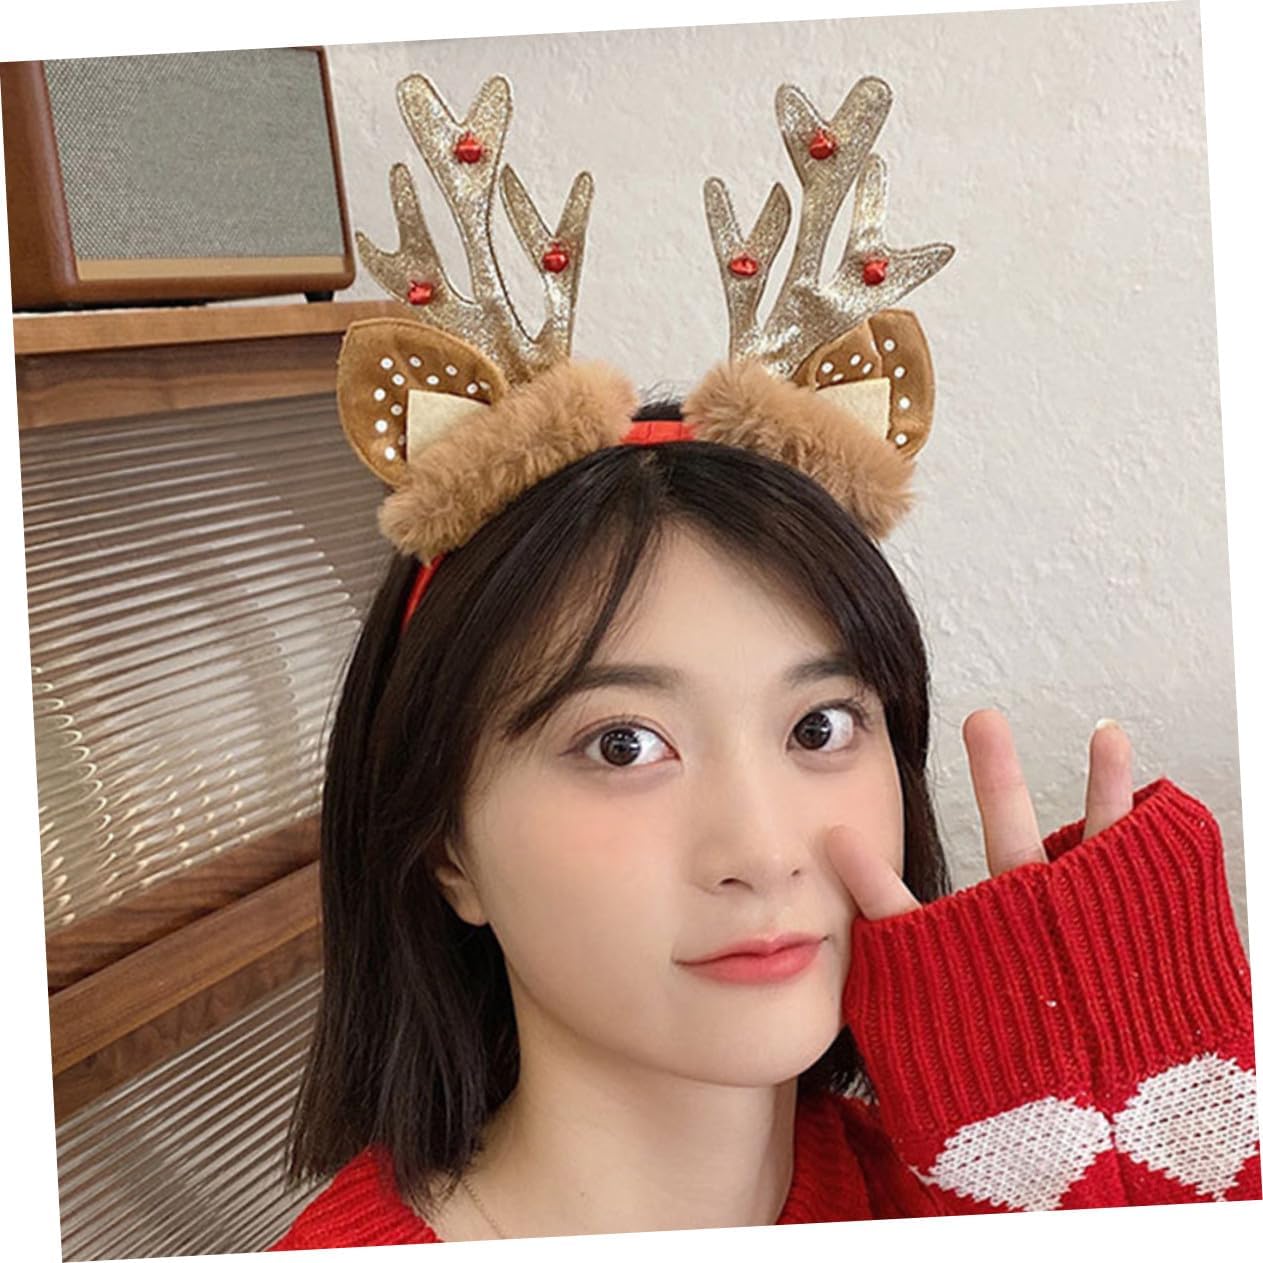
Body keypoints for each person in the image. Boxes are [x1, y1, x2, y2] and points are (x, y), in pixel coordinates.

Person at [269, 72, 1258, 1247]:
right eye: (623, 744)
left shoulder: (1027, 1179)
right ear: (445, 847)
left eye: (819, 727)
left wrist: (1145, 1170)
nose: (762, 852)